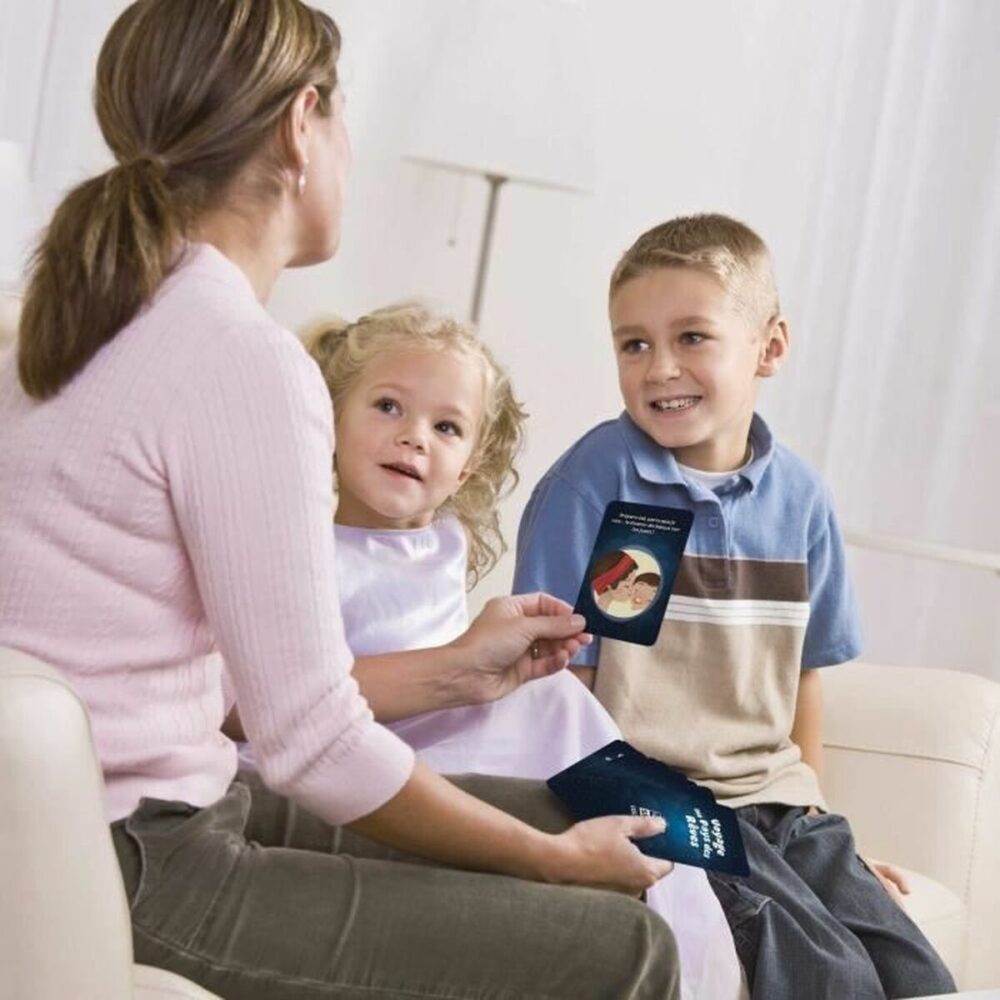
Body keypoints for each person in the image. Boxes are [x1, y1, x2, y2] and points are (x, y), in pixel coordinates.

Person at [0, 3, 682, 997]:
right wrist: (548, 864)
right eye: (343, 117)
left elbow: (238, 702)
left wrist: (459, 679)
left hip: (108, 822)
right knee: (627, 946)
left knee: (564, 811)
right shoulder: (239, 359)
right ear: (300, 126)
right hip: (130, 861)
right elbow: (312, 743)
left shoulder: (78, 327)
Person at [513, 213, 957, 999]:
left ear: (770, 346)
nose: (659, 368)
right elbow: (560, 687)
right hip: (652, 793)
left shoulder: (804, 501)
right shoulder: (599, 482)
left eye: (692, 337)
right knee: (832, 973)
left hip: (777, 798)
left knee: (913, 970)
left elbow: (804, 678)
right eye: (633, 344)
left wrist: (822, 836)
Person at [273, 304, 744, 1000]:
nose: (413, 437)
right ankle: (683, 933)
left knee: (566, 709)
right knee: (557, 710)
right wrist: (470, 665)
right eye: (387, 407)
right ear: (331, 420)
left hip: (445, 720)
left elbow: (440, 644)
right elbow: (301, 687)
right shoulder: (302, 540)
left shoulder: (443, 541)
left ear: (466, 469)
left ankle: (697, 933)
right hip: (365, 741)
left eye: (446, 428)